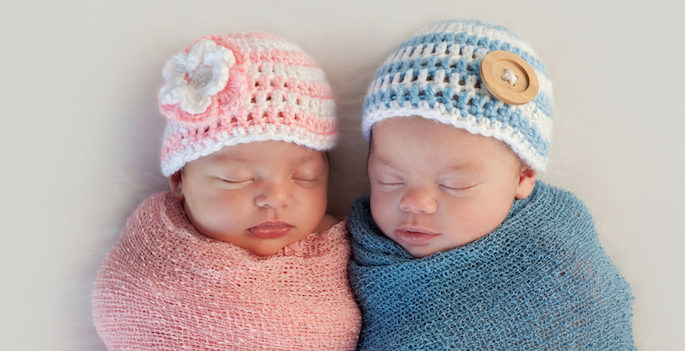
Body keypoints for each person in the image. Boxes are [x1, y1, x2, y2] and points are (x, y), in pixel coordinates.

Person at [348, 19, 635, 350]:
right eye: (390, 180)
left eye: (455, 185)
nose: (415, 202)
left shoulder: (555, 258)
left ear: (524, 177)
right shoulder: (354, 253)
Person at [92, 32, 361, 350]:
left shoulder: (346, 249)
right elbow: (126, 304)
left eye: (306, 177)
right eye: (237, 179)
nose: (276, 197)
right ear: (179, 181)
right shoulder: (155, 251)